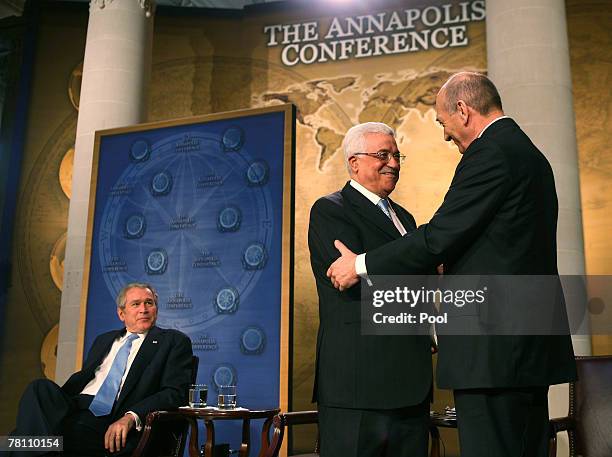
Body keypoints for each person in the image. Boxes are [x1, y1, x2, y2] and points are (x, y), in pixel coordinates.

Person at [327, 73, 577, 456]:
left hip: (494, 351)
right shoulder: (530, 154)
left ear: (463, 110)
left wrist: (360, 264)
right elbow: (501, 243)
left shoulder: (490, 152)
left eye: (443, 122)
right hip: (524, 346)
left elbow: (439, 236)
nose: (445, 134)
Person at [308, 122, 433, 457]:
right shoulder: (330, 210)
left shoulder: (404, 217)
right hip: (358, 385)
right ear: (354, 163)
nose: (393, 162)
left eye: (396, 155)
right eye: (383, 154)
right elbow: (349, 280)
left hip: (412, 385)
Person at [8, 282, 193, 457]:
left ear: (156, 309)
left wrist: (131, 416)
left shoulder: (172, 341)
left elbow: (174, 392)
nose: (143, 309)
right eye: (136, 304)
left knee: (15, 442)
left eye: (149, 303)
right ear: (122, 314)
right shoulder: (104, 340)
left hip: (112, 415)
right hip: (76, 406)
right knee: (39, 388)